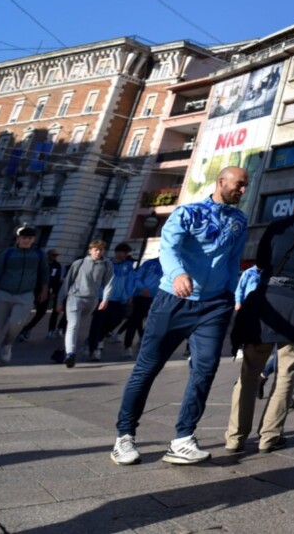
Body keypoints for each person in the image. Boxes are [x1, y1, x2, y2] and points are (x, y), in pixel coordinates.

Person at [111, 166, 249, 467]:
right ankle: (124, 436)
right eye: (238, 185)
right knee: (147, 368)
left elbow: (233, 260)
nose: (242, 190)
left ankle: (183, 438)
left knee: (205, 368)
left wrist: (231, 295)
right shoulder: (188, 213)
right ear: (221, 182)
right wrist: (177, 274)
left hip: (214, 306)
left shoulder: (239, 220)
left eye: (245, 186)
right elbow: (169, 248)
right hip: (173, 301)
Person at [226, 192, 294, 454]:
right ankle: (269, 437)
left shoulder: (276, 227)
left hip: (266, 305)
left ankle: (235, 437)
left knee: (249, 372)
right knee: (286, 374)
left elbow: (262, 263)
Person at [0, 225, 49, 366]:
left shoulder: (39, 255)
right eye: (23, 238)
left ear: (33, 239)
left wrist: (44, 289)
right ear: (18, 239)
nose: (26, 241)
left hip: (25, 294)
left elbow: (44, 272)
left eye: (29, 238)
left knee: (17, 322)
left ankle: (7, 344)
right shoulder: (8, 253)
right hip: (2, 292)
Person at [62, 239, 115, 367]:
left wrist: (105, 299)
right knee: (73, 325)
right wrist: (60, 300)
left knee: (78, 325)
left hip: (92, 300)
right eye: (96, 250)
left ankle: (65, 347)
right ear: (90, 251)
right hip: (74, 297)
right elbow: (67, 281)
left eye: (101, 250)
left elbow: (109, 283)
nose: (98, 252)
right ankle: (70, 354)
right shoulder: (79, 263)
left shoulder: (106, 265)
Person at [88, 243, 135, 358]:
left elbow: (130, 280)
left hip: (120, 299)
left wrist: (129, 295)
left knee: (117, 320)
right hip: (103, 298)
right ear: (117, 252)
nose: (125, 255)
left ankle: (98, 338)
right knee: (98, 323)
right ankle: (94, 348)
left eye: (127, 253)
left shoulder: (128, 265)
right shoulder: (106, 263)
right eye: (124, 252)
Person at [121, 255, 162, 358]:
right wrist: (142, 288)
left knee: (154, 322)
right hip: (142, 296)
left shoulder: (172, 263)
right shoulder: (149, 263)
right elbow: (137, 277)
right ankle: (128, 345)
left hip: (158, 298)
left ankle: (144, 341)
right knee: (135, 320)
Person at [18, 248, 61, 342]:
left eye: (56, 255)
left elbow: (56, 280)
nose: (54, 257)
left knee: (41, 312)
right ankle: (18, 328)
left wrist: (54, 292)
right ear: (48, 255)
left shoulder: (57, 266)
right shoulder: (40, 264)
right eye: (53, 255)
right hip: (33, 289)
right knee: (25, 309)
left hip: (46, 291)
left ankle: (27, 328)